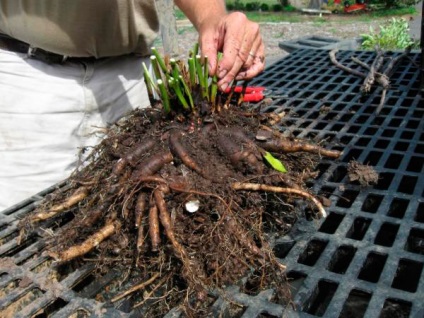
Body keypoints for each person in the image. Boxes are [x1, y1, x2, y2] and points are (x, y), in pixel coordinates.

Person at [0, 0, 265, 211]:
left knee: (129, 205)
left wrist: (211, 18)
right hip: (27, 76)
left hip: (130, 76)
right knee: (27, 220)